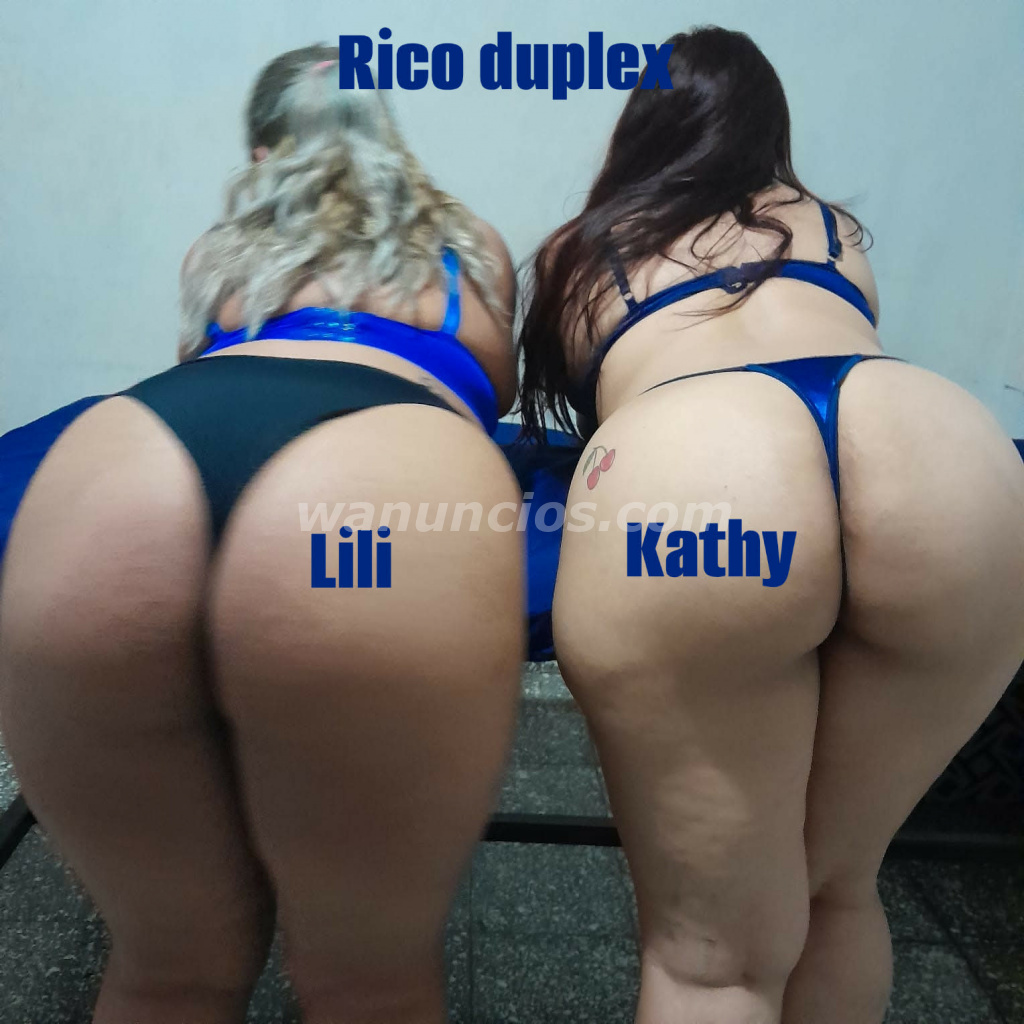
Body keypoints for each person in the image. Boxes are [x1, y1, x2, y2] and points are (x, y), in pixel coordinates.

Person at [0, 45, 522, 1024]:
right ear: (390, 137)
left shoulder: (220, 248)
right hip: (365, 498)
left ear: (260, 151)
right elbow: (492, 393)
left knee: (166, 971)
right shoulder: (471, 245)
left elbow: (191, 355)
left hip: (126, 466)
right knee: (367, 982)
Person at [518, 26, 1024, 1024]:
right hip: (938, 454)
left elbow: (571, 408)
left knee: (714, 957)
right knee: (837, 888)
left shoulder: (586, 246)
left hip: (703, 473)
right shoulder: (832, 229)